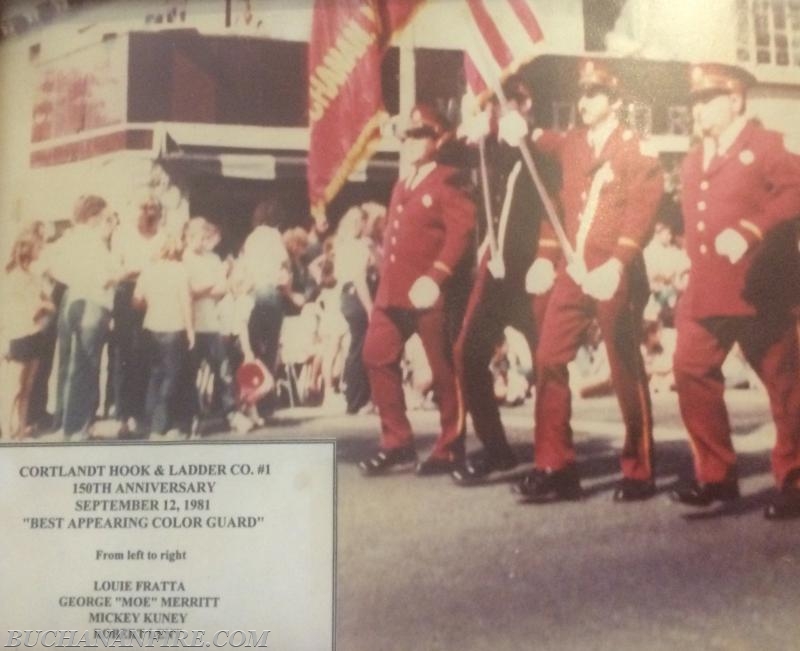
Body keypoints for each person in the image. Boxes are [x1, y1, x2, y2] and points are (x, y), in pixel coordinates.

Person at [499, 59, 664, 502]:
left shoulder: (635, 148)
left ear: (615, 101)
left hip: (614, 272)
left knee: (623, 367)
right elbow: (542, 146)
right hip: (575, 272)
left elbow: (643, 208)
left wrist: (619, 261)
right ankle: (555, 465)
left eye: (594, 94)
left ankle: (639, 468)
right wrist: (520, 127)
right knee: (549, 355)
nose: (584, 101)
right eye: (582, 92)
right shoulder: (574, 144)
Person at [669, 63, 800, 519]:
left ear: (736, 100)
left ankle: (795, 479)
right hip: (707, 288)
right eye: (695, 101)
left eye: (707, 100)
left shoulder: (766, 145)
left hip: (760, 286)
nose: (698, 110)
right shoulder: (692, 157)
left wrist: (751, 228)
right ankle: (716, 475)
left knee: (784, 386)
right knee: (690, 369)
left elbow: (794, 192)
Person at [451, 76, 559, 485]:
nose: (492, 114)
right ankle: (496, 449)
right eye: (488, 107)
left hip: (533, 271)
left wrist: (529, 135)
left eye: (497, 105)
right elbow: (447, 153)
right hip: (498, 272)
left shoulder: (541, 148)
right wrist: (467, 123)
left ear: (524, 101)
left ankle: (553, 458)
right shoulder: (490, 147)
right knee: (468, 353)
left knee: (548, 362)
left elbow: (559, 201)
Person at [359, 104, 475, 476]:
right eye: (406, 136)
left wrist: (437, 276)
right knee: (376, 354)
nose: (409, 143)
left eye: (418, 135)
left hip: (429, 291)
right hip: (394, 291)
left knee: (443, 369)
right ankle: (396, 442)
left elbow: (461, 233)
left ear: (438, 139)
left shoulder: (449, 179)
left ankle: (450, 445)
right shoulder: (402, 182)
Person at [48, 195, 121, 440]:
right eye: (108, 218)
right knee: (85, 366)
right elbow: (103, 279)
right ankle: (77, 427)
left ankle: (63, 423)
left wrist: (72, 279)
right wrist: (121, 274)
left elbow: (48, 265)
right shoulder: (95, 242)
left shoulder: (69, 238)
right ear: (94, 217)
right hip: (93, 303)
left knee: (68, 365)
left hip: (71, 300)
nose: (110, 223)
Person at [109, 196, 164, 435]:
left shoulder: (163, 235)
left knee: (150, 354)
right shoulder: (122, 235)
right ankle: (124, 413)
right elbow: (116, 269)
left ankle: (145, 411)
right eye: (144, 207)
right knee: (125, 356)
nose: (149, 213)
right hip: (128, 294)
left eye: (153, 208)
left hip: (155, 294)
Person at [133, 232, 194, 438]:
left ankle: (154, 424)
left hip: (151, 326)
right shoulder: (179, 270)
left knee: (156, 376)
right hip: (173, 327)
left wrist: (151, 304)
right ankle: (163, 426)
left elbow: (137, 300)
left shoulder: (147, 271)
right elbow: (186, 302)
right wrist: (191, 330)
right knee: (171, 377)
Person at [0, 225, 54, 440]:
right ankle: (7, 429)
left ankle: (20, 429)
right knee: (13, 387)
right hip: (17, 335)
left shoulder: (34, 276)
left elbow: (48, 304)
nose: (41, 251)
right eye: (38, 248)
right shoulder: (11, 277)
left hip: (34, 335)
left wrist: (42, 307)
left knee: (27, 388)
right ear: (26, 249)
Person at [333, 205, 374, 414]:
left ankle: (353, 395)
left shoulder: (341, 245)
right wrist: (370, 307)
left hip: (345, 296)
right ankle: (358, 398)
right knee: (361, 348)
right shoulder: (358, 247)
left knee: (355, 347)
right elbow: (360, 278)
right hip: (356, 296)